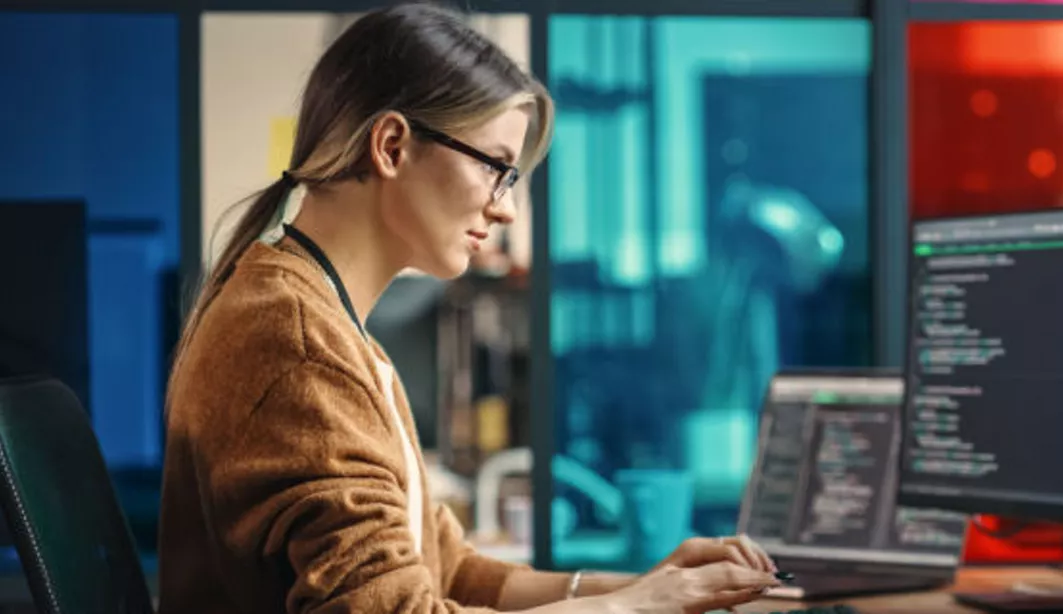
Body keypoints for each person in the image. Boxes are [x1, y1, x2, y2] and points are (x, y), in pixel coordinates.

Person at [159, 4, 781, 613]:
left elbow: (448, 569)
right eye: (497, 169)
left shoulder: (327, 324)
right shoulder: (297, 342)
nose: (506, 208)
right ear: (393, 145)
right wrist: (636, 609)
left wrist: (638, 583)